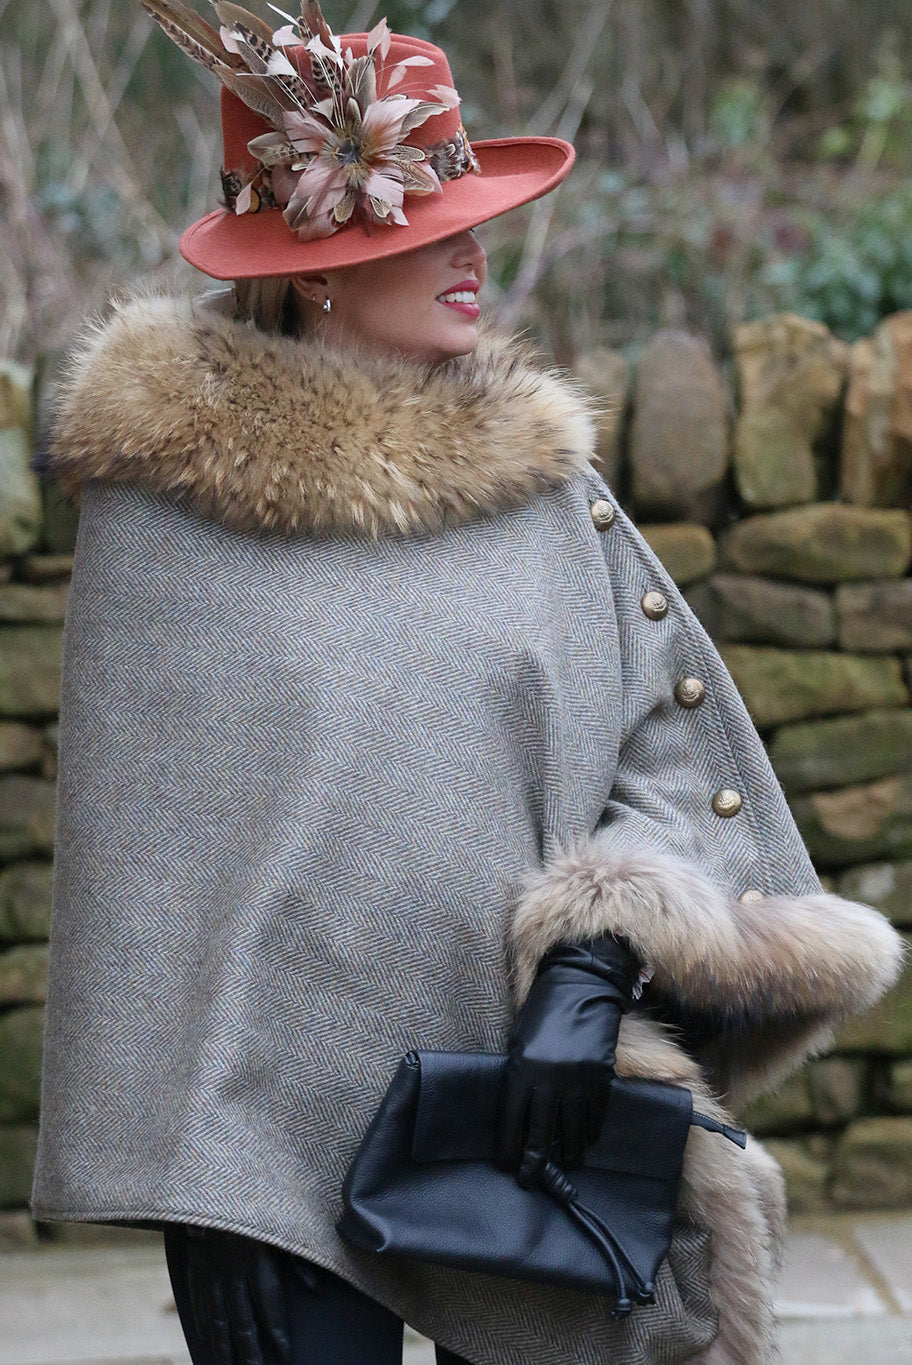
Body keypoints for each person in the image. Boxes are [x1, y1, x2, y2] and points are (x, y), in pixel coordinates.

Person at [31, 4, 903, 1363]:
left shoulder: (548, 497)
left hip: (525, 1122)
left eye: (473, 212)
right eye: (424, 221)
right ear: (317, 261)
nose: (474, 248)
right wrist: (213, 1183)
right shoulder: (167, 508)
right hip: (262, 1160)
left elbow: (662, 764)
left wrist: (595, 959)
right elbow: (152, 886)